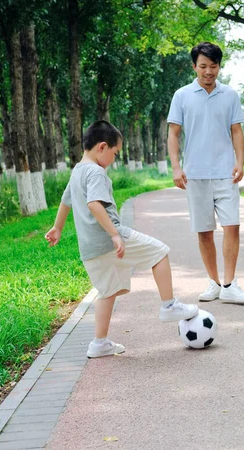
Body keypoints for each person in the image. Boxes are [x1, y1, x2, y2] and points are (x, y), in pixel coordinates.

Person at [45, 120, 199, 358]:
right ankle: (169, 305)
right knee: (160, 252)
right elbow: (94, 204)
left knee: (107, 292)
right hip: (109, 238)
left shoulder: (77, 171)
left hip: (89, 248)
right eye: (115, 154)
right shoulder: (96, 172)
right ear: (102, 147)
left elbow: (66, 201)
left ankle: (99, 343)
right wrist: (115, 234)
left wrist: (57, 227)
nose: (114, 160)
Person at [167, 42, 244, 304]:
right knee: (204, 231)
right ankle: (214, 282)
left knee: (232, 227)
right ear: (194, 66)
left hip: (226, 173)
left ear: (219, 67)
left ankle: (230, 284)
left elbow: (236, 131)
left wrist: (240, 161)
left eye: (213, 66)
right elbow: (173, 133)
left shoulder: (230, 95)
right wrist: (176, 166)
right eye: (203, 66)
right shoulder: (182, 95)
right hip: (196, 174)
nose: (208, 72)